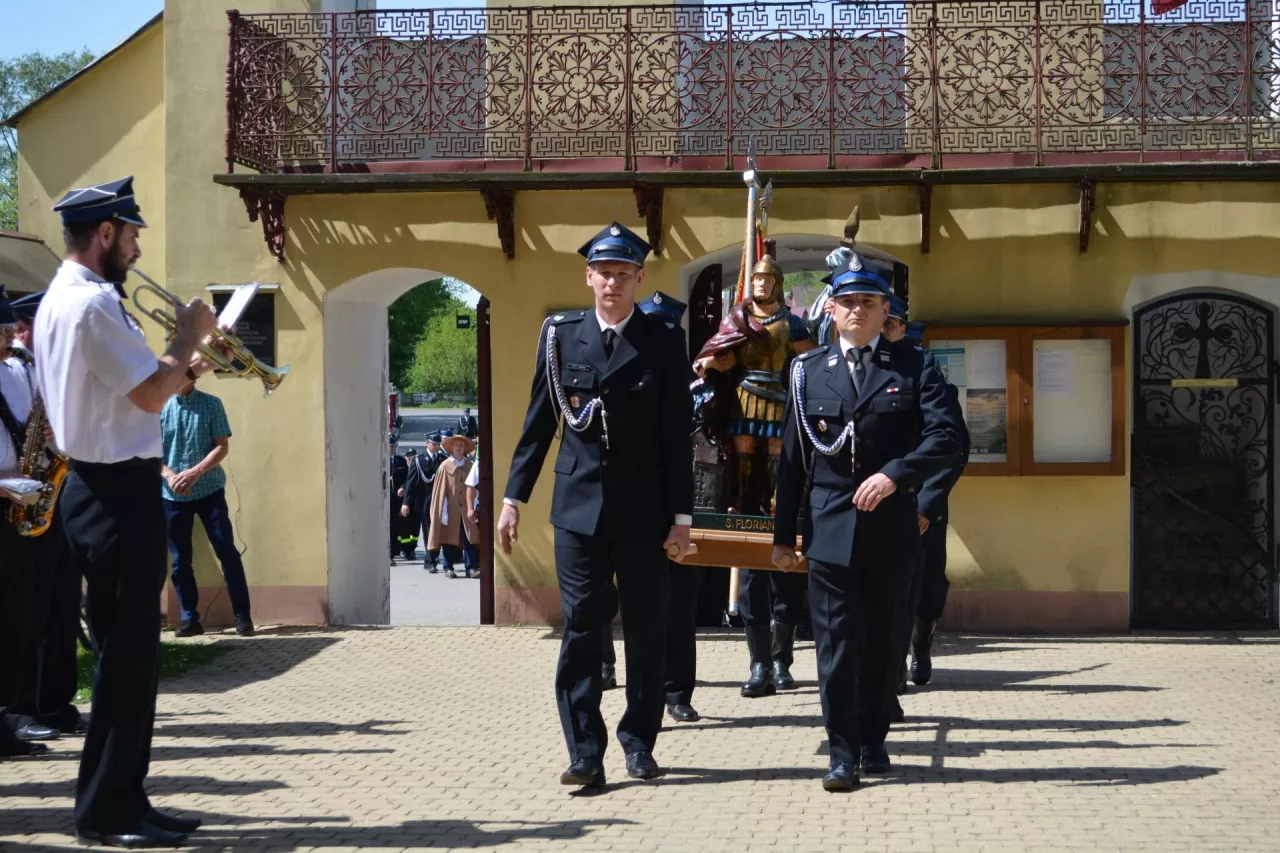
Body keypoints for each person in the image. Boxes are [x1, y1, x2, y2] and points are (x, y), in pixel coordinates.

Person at [34, 176, 218, 844]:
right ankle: (108, 810)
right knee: (124, 658)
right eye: (132, 234)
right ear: (105, 232)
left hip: (105, 486)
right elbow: (147, 396)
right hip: (114, 490)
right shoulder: (89, 306)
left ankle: (125, 799)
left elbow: (141, 389)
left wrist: (187, 364)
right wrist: (190, 336)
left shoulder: (73, 299)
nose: (138, 248)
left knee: (132, 655)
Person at [499, 222, 693, 789]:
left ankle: (639, 741)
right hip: (578, 510)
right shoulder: (561, 337)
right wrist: (514, 497)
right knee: (583, 626)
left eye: (623, 273)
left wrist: (682, 520)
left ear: (639, 279)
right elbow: (539, 424)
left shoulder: (661, 341)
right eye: (603, 272)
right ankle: (585, 750)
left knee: (646, 629)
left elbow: (675, 438)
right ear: (588, 278)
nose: (612, 282)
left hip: (645, 512)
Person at [772, 251, 963, 792]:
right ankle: (841, 751)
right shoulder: (807, 371)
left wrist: (896, 475)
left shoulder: (915, 366)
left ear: (885, 311)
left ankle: (875, 737)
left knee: (883, 641)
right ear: (831, 310)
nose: (857, 310)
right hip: (831, 529)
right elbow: (792, 460)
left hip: (891, 530)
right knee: (835, 646)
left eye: (869, 302)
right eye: (848, 302)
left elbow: (946, 438)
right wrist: (784, 537)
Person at [691, 248, 815, 700]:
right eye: (757, 279)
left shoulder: (793, 321)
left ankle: (782, 662)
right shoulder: (737, 318)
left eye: (769, 280)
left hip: (779, 400)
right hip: (744, 398)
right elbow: (716, 353)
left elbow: (810, 357)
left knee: (778, 461)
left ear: (779, 284)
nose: (761, 286)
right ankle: (759, 663)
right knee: (750, 576)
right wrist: (713, 364)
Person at [2, 289, 88, 739]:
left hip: (53, 492)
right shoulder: (13, 369)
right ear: (24, 328)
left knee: (61, 603)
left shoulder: (46, 369)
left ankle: (56, 702)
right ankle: (20, 706)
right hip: (19, 497)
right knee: (24, 606)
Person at [0, 286, 55, 759]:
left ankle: (14, 713)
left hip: (19, 502)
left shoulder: (12, 373)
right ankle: (14, 711)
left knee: (21, 613)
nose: (7, 340)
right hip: (5, 500)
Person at [160, 373, 253, 637]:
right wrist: (170, 476)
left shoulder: (212, 404)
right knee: (180, 560)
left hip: (209, 490)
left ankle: (242, 617)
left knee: (226, 550)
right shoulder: (160, 407)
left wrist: (195, 473)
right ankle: (190, 619)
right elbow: (152, 450)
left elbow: (221, 447)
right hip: (172, 495)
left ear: (192, 376)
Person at [426, 433, 480, 578]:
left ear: (465, 449)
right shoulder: (445, 466)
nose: (459, 448)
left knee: (470, 538)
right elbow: (439, 491)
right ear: (451, 448)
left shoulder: (470, 465)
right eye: (456, 445)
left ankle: (471, 567)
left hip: (467, 509)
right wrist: (441, 511)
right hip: (449, 509)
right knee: (448, 538)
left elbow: (476, 486)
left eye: (461, 446)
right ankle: (448, 567)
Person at [404, 432, 447, 572]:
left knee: (439, 530)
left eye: (438, 444)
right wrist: (406, 503)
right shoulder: (419, 460)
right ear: (427, 443)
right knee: (429, 530)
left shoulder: (443, 459)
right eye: (433, 444)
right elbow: (410, 483)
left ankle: (434, 558)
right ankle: (430, 561)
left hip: (440, 500)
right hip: (424, 501)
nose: (436, 447)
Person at [388, 435, 409, 562]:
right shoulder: (380, 459)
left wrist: (403, 487)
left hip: (398, 497)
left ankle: (401, 549)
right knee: (389, 525)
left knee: (400, 524)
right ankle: (389, 553)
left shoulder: (401, 461)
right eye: (389, 446)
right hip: (386, 498)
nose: (391, 448)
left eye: (393, 446)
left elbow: (408, 478)